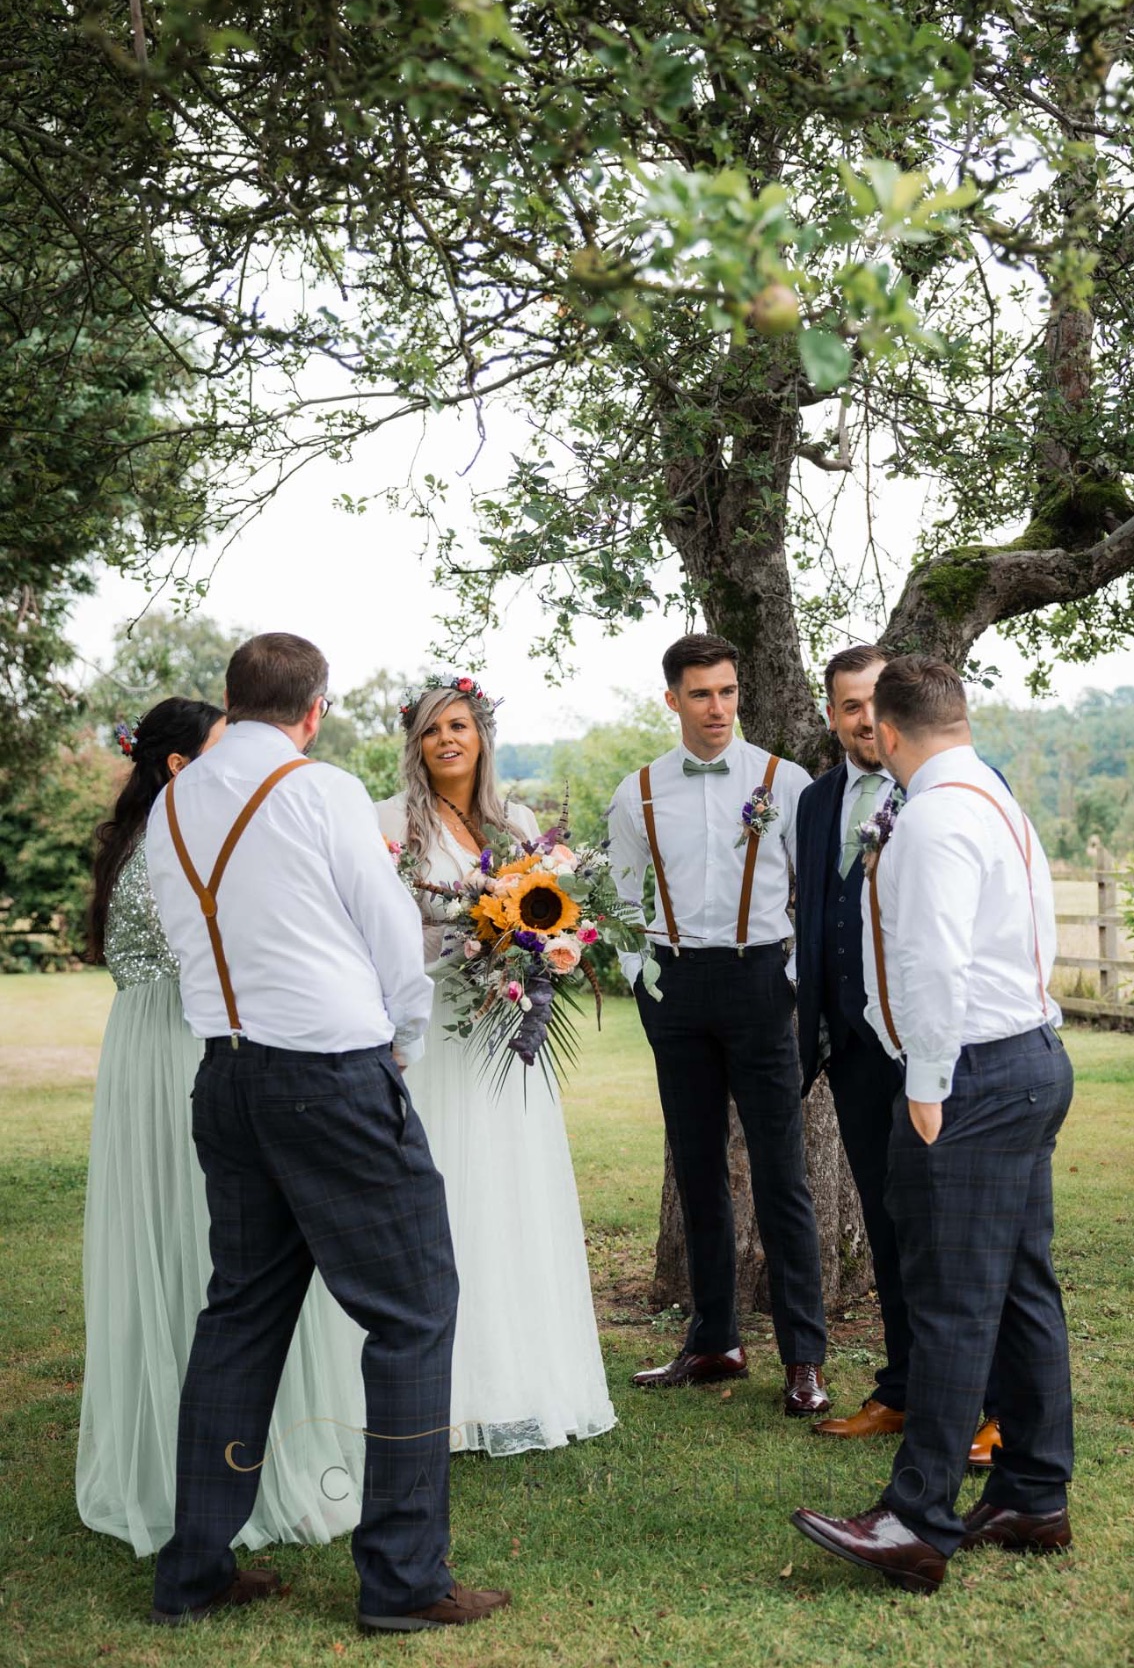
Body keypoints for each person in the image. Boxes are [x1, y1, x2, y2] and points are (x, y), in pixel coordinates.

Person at [144, 634, 510, 1635]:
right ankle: (403, 1579)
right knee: (415, 1310)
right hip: (328, 1079)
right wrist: (404, 1036)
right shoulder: (321, 791)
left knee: (241, 1317)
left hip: (225, 1075)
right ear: (314, 710)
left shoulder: (173, 800)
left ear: (234, 701)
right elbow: (391, 931)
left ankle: (196, 1570)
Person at [791, 656, 1074, 1595]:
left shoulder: (937, 815)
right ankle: (1033, 1494)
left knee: (952, 1297)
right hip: (1028, 1058)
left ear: (895, 728)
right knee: (1023, 1286)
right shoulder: (990, 795)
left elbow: (937, 963)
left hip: (974, 1078)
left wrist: (927, 1083)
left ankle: (916, 1519)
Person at [76, 696, 365, 1558]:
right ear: (178, 766)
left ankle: (185, 1457)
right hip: (189, 1045)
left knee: (181, 1245)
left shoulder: (141, 840)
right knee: (230, 1252)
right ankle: (238, 1469)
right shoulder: (186, 837)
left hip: (142, 1046)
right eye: (217, 749)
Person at [374, 674, 616, 1457]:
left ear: (481, 737)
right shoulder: (390, 824)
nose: (448, 739)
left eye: (461, 726)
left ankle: (513, 1381)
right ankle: (440, 1390)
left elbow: (546, 906)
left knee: (509, 1195)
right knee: (440, 1196)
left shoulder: (515, 822)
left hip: (507, 1031)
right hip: (434, 1029)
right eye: (433, 729)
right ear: (415, 745)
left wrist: (538, 948)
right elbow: (380, 927)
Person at [607, 633, 828, 1415]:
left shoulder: (785, 781)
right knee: (698, 1170)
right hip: (676, 990)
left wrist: (790, 977)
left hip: (760, 981)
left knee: (780, 1176)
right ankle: (714, 1341)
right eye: (701, 694)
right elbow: (623, 902)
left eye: (728, 692)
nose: (717, 708)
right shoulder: (636, 792)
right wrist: (643, 982)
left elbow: (814, 894)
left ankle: (804, 1358)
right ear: (672, 699)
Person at [794, 645, 1002, 1463]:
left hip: (934, 1045)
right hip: (852, 1047)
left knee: (948, 1230)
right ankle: (904, 1387)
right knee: (885, 1224)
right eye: (849, 706)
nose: (864, 720)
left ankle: (984, 1403)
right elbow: (814, 917)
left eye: (875, 702)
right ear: (836, 716)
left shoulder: (946, 792)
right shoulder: (814, 804)